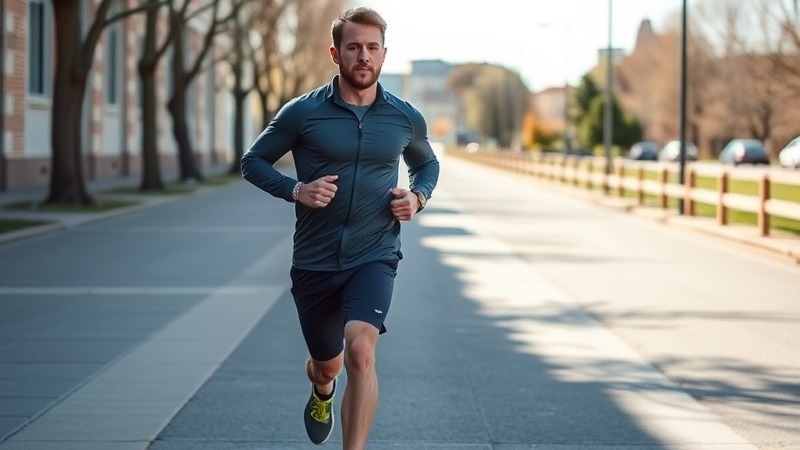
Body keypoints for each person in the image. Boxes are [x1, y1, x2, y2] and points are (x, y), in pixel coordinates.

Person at [240, 6, 440, 449]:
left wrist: (418, 196)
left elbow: (426, 163)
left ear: (385, 54)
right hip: (314, 259)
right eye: (354, 47)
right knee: (327, 365)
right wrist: (296, 190)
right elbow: (252, 161)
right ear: (336, 53)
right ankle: (322, 390)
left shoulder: (404, 117)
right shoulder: (302, 113)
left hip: (375, 252)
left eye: (372, 48)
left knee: (362, 351)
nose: (363, 56)